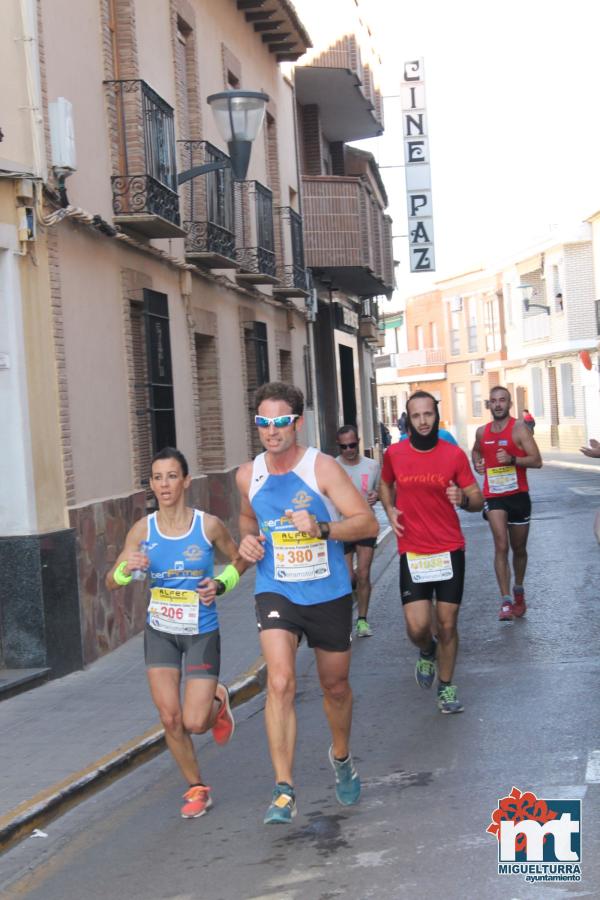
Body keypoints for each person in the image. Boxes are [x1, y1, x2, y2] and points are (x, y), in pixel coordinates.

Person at [236, 382, 378, 824]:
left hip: (328, 591)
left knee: (335, 686)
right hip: (276, 588)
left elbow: (365, 522)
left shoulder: (323, 469)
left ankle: (341, 756)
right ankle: (283, 788)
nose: (271, 431)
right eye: (263, 422)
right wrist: (246, 541)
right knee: (279, 682)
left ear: (297, 422)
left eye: (280, 421)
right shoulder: (248, 474)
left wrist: (322, 528)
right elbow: (246, 517)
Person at [106, 447, 245, 819]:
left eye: (171, 476)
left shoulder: (208, 525)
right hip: (161, 631)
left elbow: (239, 560)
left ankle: (217, 703)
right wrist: (125, 570)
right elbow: (112, 580)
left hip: (201, 631)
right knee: (170, 718)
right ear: (151, 485)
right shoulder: (142, 530)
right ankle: (196, 788)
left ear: (185, 481)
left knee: (194, 722)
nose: (164, 484)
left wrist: (220, 584)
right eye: (157, 477)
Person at [379, 390, 483, 714]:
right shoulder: (394, 454)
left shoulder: (453, 455)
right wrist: (389, 509)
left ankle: (447, 686)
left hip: (449, 548)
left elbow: (478, 499)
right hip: (414, 551)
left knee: (448, 623)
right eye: (416, 416)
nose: (423, 421)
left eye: (428, 414)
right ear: (407, 420)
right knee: (418, 627)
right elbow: (385, 484)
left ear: (436, 415)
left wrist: (462, 498)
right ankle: (427, 651)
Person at [472, 386, 542, 622]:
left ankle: (518, 591)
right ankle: (505, 601)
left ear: (509, 404)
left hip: (518, 495)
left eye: (502, 400)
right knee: (501, 545)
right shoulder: (482, 432)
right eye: (493, 401)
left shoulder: (520, 429)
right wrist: (477, 463)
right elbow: (475, 451)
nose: (498, 405)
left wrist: (513, 459)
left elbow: (537, 460)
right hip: (494, 496)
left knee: (518, 548)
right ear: (489, 405)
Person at [335, 424, 380, 637]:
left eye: (352, 445)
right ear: (339, 447)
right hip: (342, 527)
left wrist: (376, 495)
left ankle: (362, 620)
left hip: (365, 526)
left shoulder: (372, 466)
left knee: (363, 574)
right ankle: (346, 613)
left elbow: (380, 491)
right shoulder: (332, 467)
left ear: (358, 442)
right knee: (347, 577)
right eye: (344, 447)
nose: (349, 450)